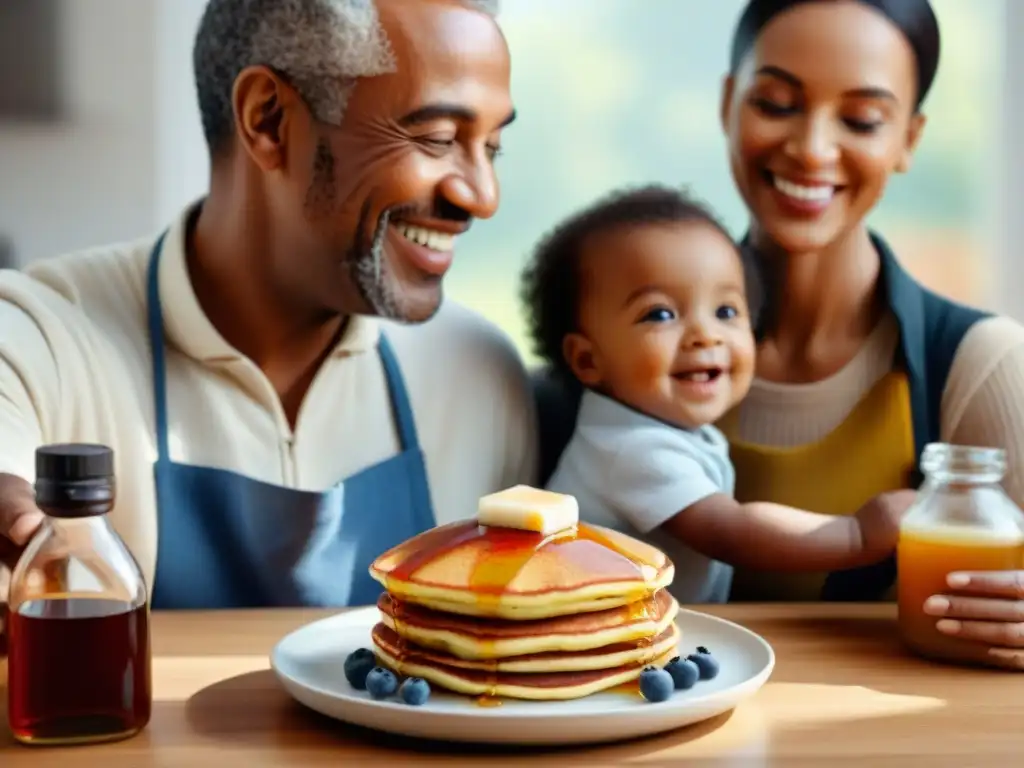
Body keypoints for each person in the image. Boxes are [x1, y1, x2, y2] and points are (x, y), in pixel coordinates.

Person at [0, 0, 536, 615]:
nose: (483, 196)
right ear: (270, 120)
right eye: (439, 139)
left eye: (491, 148)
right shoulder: (39, 342)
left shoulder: (479, 375)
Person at [533, 0, 1024, 670]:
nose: (813, 149)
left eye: (861, 119)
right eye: (777, 102)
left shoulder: (978, 366)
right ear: (728, 103)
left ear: (909, 138)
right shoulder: (602, 382)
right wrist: (855, 534)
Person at [522, 184, 913, 602]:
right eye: (660, 314)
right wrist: (857, 534)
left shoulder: (658, 431)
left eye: (726, 311)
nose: (705, 335)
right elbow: (731, 531)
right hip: (598, 648)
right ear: (587, 360)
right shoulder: (630, 450)